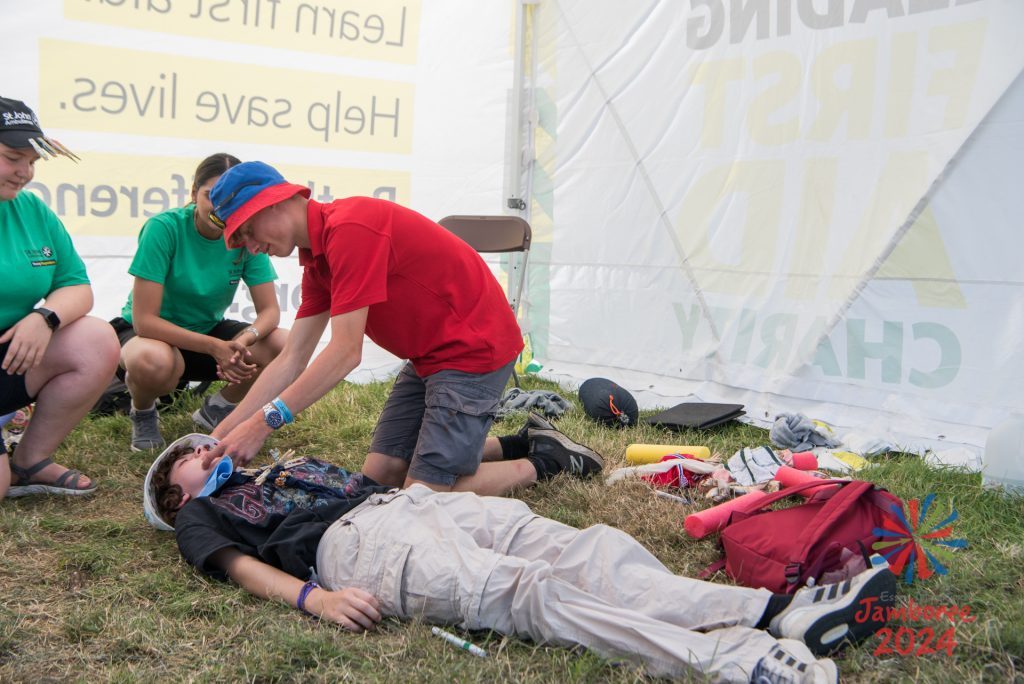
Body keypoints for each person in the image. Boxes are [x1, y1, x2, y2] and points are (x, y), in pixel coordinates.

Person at [144, 435, 898, 684]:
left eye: (204, 442)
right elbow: (236, 568)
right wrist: (315, 601)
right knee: (527, 591)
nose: (205, 449)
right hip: (353, 550)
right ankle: (738, 663)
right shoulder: (205, 516)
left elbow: (387, 473)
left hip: (411, 505)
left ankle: (774, 611)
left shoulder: (286, 465)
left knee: (583, 548)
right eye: (188, 456)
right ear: (174, 499)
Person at [202, 161, 602, 494]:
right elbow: (292, 358)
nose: (251, 248)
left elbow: (345, 353)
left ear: (274, 204)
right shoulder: (317, 260)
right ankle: (521, 442)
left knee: (418, 498)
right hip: (429, 356)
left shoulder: (350, 229)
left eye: (248, 232)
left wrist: (263, 423)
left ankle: (547, 461)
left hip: (474, 351)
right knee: (378, 482)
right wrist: (217, 439)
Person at [113, 153, 288, 451]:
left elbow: (270, 311)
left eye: (231, 198)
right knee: (153, 361)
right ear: (194, 193)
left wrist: (244, 340)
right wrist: (214, 347)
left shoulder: (246, 234)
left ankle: (218, 408)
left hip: (207, 331)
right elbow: (145, 321)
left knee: (284, 344)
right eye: (211, 195)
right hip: (148, 336)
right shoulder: (164, 228)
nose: (221, 206)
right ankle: (143, 411)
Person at [0, 96, 120, 498]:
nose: (25, 172)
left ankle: (29, 461)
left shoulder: (32, 210)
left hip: (12, 355)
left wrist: (44, 318)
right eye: (13, 157)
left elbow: (77, 287)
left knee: (97, 338)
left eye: (32, 160)